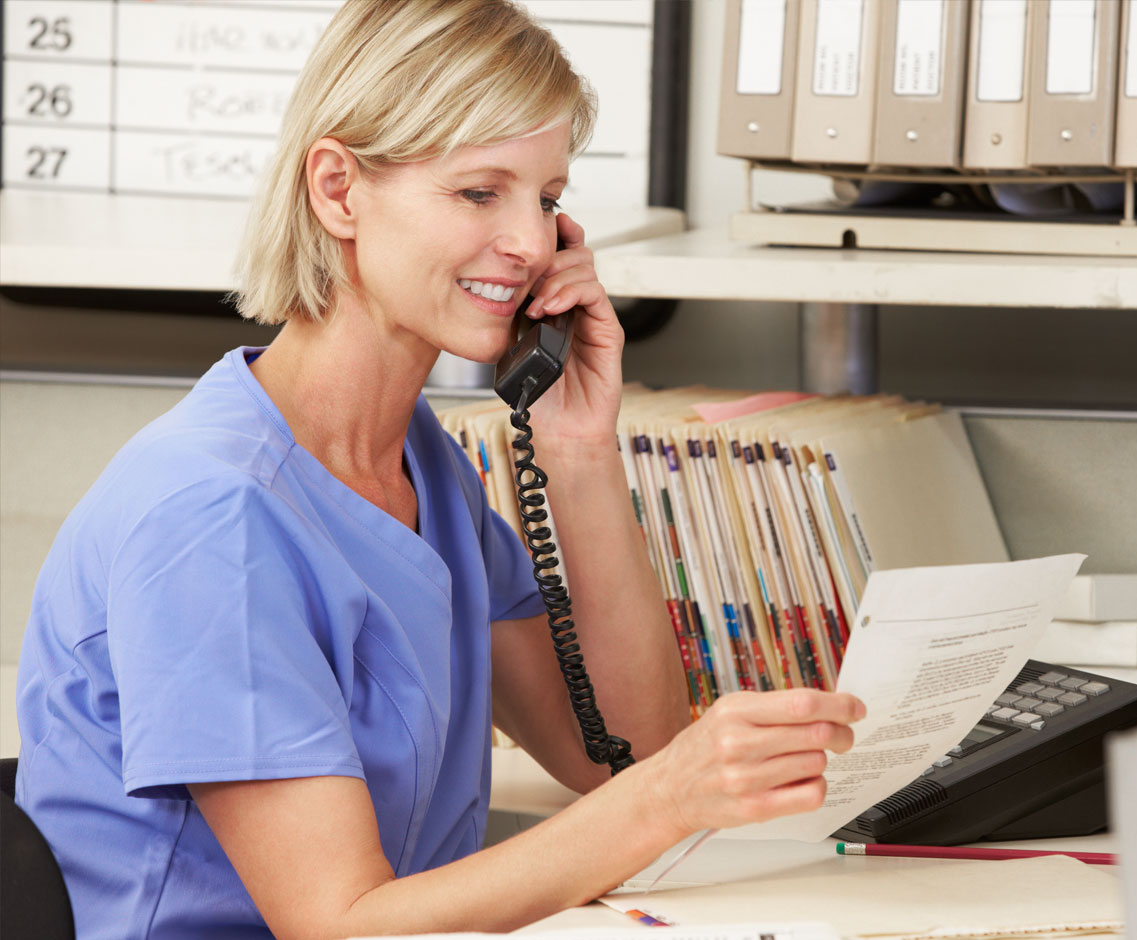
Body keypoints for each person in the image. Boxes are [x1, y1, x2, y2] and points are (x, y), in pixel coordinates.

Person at [14, 1, 866, 937]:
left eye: (546, 199)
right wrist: (666, 796)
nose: (533, 245)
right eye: (478, 193)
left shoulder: (424, 465)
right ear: (338, 191)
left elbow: (620, 755)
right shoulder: (209, 513)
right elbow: (337, 920)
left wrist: (578, 451)